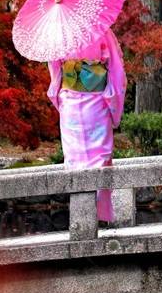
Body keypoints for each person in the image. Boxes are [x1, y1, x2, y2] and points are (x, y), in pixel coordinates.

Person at [46, 28, 126, 222]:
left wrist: (61, 100)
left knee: (75, 161)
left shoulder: (58, 32)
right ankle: (97, 214)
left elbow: (55, 71)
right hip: (97, 103)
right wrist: (115, 109)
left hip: (70, 105)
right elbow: (116, 71)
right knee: (99, 156)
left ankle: (82, 217)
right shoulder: (101, 29)